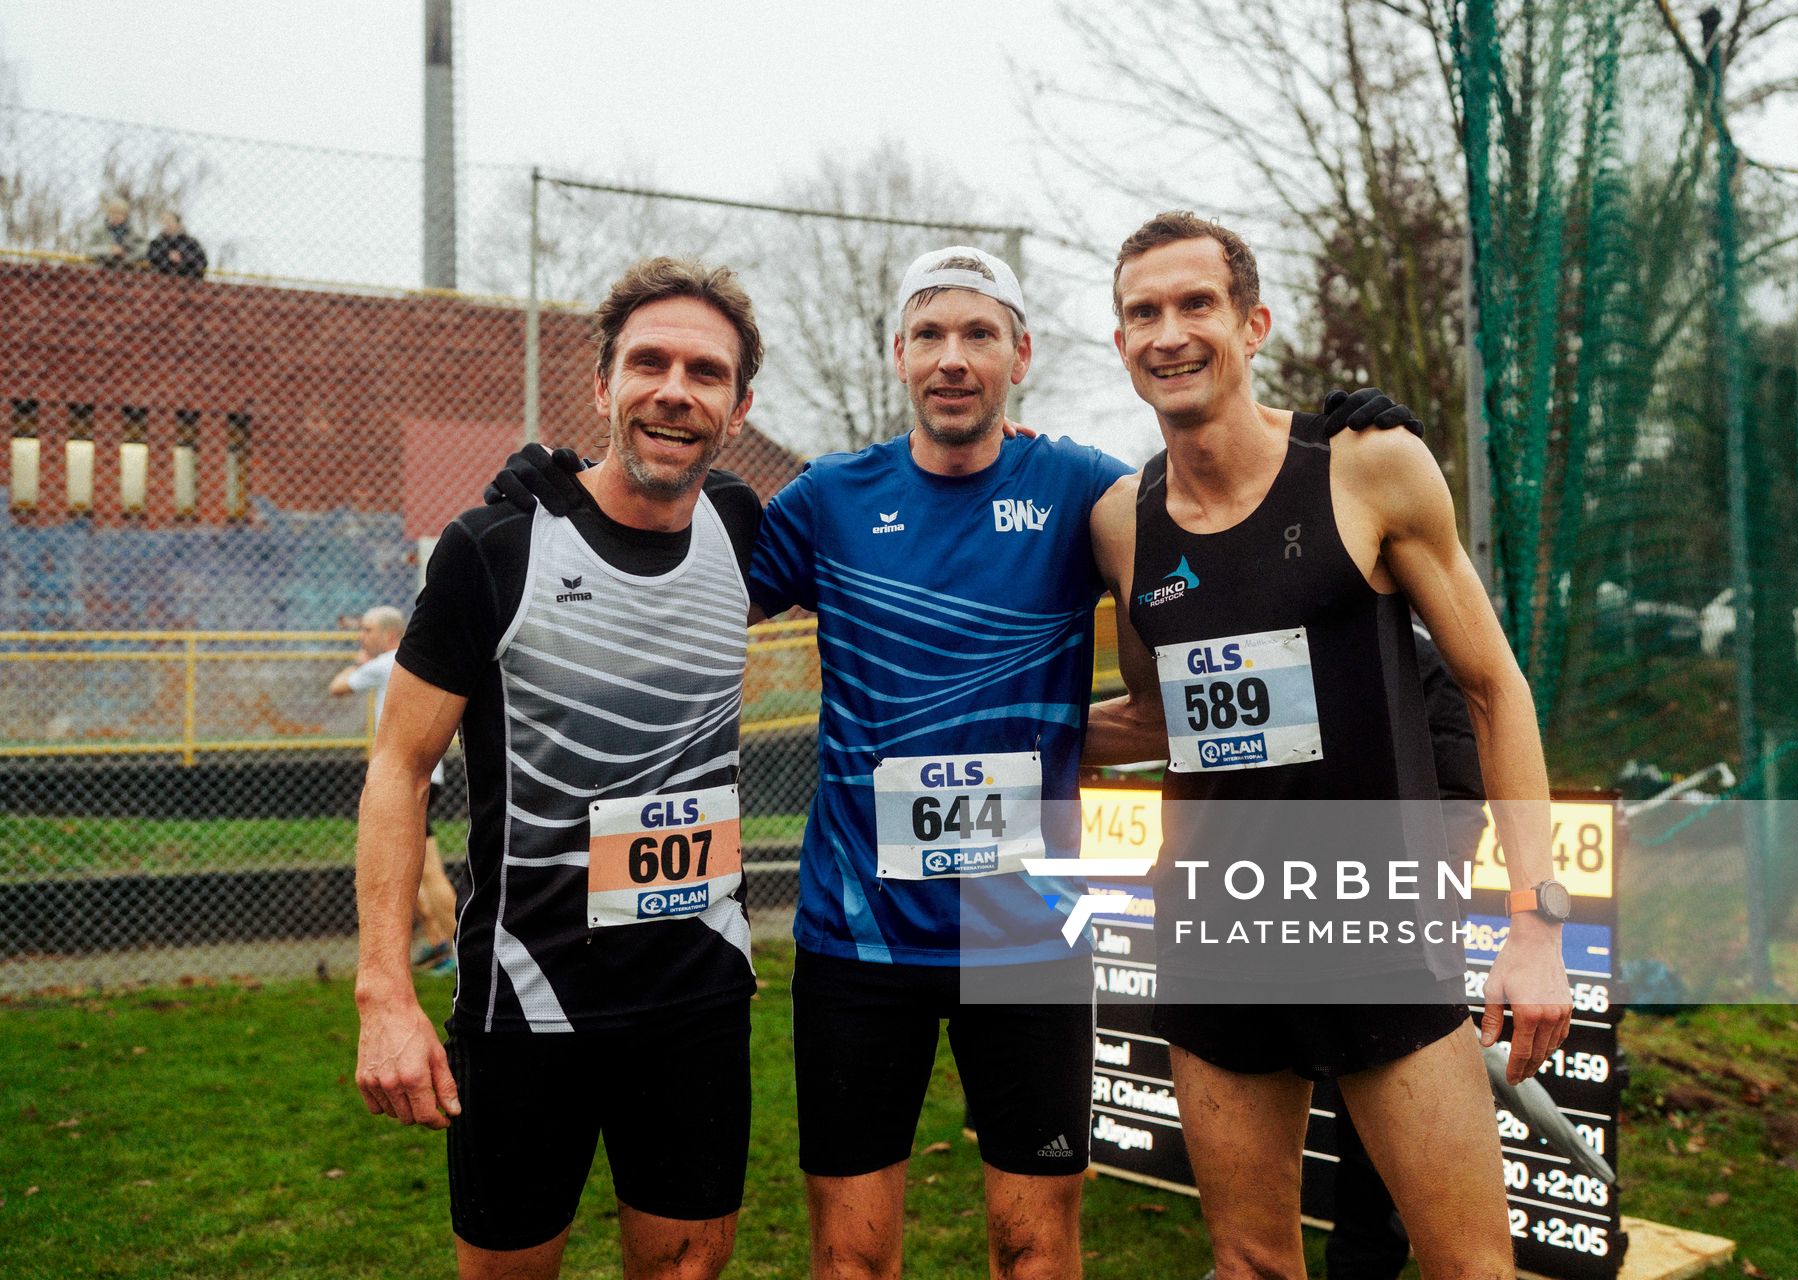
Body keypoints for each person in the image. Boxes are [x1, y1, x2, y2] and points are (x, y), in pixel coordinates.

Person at [489, 247, 1415, 1280]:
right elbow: (667, 553)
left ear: (1020, 352)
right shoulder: (830, 498)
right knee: (850, 1260)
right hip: (858, 940)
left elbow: (1219, 550)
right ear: (898, 355)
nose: (954, 358)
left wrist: (1322, 462)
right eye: (930, 334)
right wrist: (558, 495)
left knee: (1035, 1252)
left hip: (1025, 937)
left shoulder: (1084, 490)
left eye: (980, 334)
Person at [1084, 211, 1572, 1280]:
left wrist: (1536, 921)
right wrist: (1007, 741)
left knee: (1469, 1269)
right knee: (1251, 1264)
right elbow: (1162, 719)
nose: (1169, 332)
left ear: (1253, 323)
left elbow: (1497, 689)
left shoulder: (1368, 467)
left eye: (1195, 303)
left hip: (1374, 925)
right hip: (1216, 934)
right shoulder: (1124, 521)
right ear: (1120, 346)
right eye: (1142, 313)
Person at [353, 256, 766, 1280]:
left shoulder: (744, 529)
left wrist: (1005, 448)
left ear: (740, 404)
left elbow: (914, 520)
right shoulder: (494, 545)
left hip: (698, 999)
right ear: (602, 385)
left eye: (706, 372)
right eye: (650, 362)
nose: (676, 389)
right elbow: (397, 769)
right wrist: (386, 995)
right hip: (529, 1002)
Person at [1325, 619, 1488, 1280]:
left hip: (1387, 937)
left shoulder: (1421, 656)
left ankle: (1366, 1263)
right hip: (1284, 919)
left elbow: (1457, 794)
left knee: (1382, 1140)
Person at [330, 605, 459, 972]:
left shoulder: (386, 662)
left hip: (407, 779)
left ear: (389, 636)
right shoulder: (411, 660)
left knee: (429, 872)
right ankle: (441, 945)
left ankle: (464, 953)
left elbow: (337, 686)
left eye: (367, 629)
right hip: (423, 776)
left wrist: (357, 663)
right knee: (408, 868)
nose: (362, 635)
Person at [83, 196, 143, 269]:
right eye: (113, 213)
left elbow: (143, 248)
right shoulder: (97, 229)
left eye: (120, 214)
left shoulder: (133, 230)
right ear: (107, 214)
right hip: (101, 267)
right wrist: (109, 250)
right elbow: (87, 249)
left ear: (126, 216)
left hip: (127, 268)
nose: (116, 217)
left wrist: (126, 255)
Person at [146, 211, 208, 279]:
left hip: (187, 281)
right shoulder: (156, 243)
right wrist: (167, 255)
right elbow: (150, 258)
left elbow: (202, 262)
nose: (166, 224)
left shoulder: (191, 243)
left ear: (178, 224)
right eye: (163, 221)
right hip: (160, 280)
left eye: (169, 221)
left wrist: (182, 257)